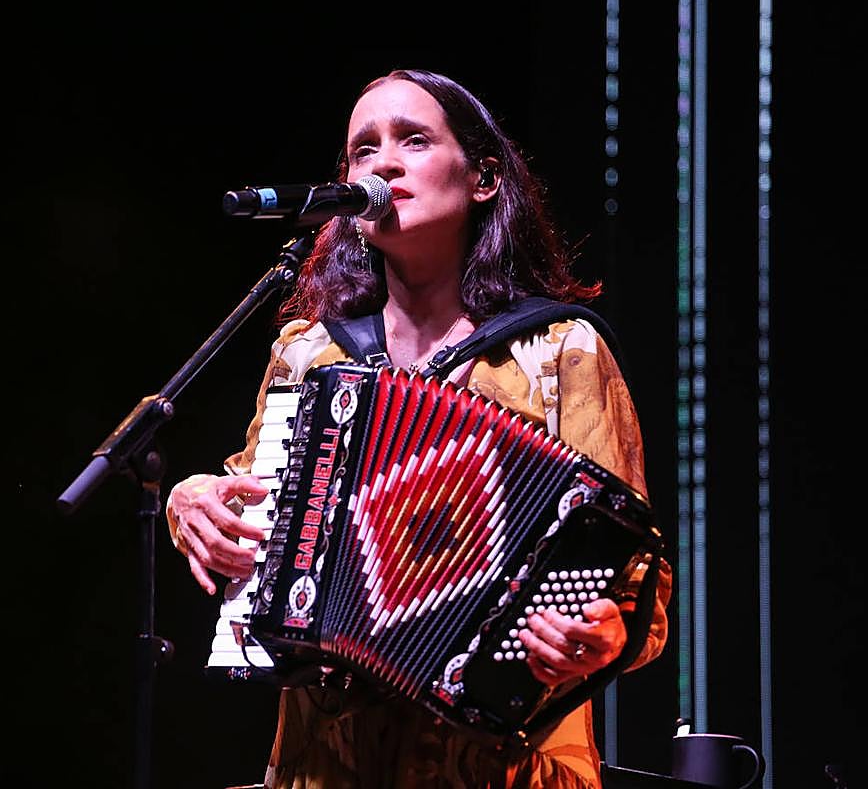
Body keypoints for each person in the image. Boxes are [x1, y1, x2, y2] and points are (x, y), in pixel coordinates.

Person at [167, 69, 671, 789]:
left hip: (504, 768)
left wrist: (603, 636)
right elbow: (250, 515)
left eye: (413, 139)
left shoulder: (561, 352)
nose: (384, 163)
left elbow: (639, 586)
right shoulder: (310, 352)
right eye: (362, 151)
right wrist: (193, 501)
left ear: (484, 179)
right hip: (328, 763)